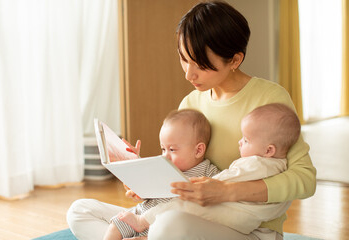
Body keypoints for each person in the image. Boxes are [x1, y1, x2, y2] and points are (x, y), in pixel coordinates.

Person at [67, 1, 316, 239]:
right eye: (184, 59)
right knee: (80, 211)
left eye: (200, 65)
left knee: (169, 226)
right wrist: (144, 180)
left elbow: (304, 180)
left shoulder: (269, 99)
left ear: (235, 60)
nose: (188, 74)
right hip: (184, 214)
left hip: (246, 228)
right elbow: (181, 176)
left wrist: (225, 191)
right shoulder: (191, 103)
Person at [118, 103, 300, 236]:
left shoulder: (257, 164)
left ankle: (142, 223)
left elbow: (229, 178)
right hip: (238, 220)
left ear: (269, 150)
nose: (239, 142)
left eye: (246, 140)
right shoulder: (279, 165)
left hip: (236, 220)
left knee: (182, 205)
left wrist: (211, 185)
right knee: (89, 209)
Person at [73, 109, 220, 240]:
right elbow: (147, 193)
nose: (165, 155)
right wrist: (135, 166)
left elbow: (216, 202)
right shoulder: (161, 167)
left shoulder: (209, 173)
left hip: (167, 225)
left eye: (172, 150)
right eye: (163, 149)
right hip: (140, 215)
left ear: (198, 150)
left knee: (165, 230)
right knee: (110, 223)